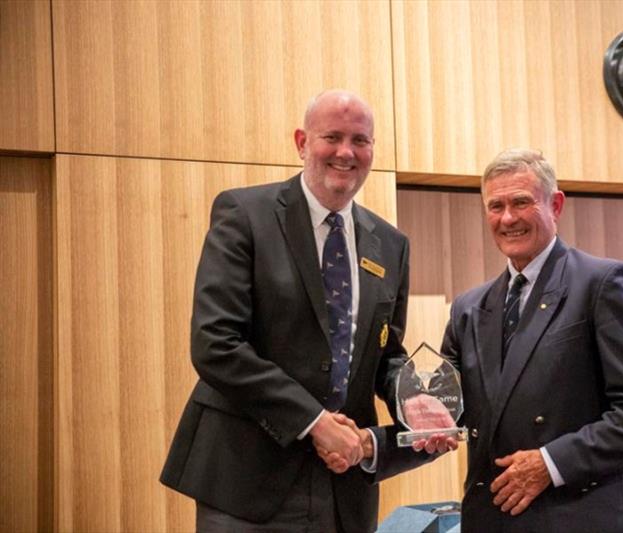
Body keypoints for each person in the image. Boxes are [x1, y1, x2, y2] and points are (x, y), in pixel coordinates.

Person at [160, 89, 443, 532]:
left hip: (343, 484)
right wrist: (314, 422)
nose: (346, 152)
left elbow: (384, 353)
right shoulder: (245, 214)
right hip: (247, 480)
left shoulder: (390, 244)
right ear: (301, 142)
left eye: (360, 140)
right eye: (332, 136)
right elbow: (216, 344)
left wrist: (414, 400)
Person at [439, 148, 623, 532]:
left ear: (555, 204)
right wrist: (385, 434)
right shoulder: (468, 308)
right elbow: (446, 408)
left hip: (574, 516)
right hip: (490, 519)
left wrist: (550, 463)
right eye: (495, 206)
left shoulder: (600, 284)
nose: (508, 218)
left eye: (521, 202)